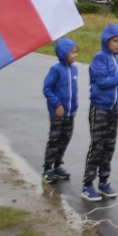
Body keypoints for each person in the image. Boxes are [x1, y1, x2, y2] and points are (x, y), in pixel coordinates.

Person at [82, 24, 118, 202]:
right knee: (97, 146)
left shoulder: (115, 59)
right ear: (106, 41)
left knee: (109, 146)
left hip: (113, 109)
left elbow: (116, 84)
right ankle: (87, 185)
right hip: (100, 108)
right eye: (115, 41)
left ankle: (104, 181)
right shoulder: (100, 58)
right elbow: (102, 82)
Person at [41, 38, 78, 183]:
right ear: (63, 53)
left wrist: (74, 108)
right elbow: (47, 89)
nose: (75, 55)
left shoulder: (74, 69)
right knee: (55, 140)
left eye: (76, 52)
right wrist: (57, 105)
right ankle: (47, 168)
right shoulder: (55, 70)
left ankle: (57, 165)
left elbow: (74, 91)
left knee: (65, 139)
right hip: (58, 114)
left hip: (69, 114)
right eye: (73, 52)